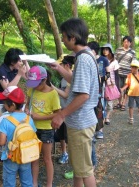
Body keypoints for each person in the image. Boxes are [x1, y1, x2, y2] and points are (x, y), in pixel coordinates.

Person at [51, 18, 98, 187]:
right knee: (79, 169)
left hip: (81, 123)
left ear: (73, 37)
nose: (63, 40)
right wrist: (59, 69)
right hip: (81, 122)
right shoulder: (86, 56)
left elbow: (83, 95)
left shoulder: (83, 60)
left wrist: (61, 115)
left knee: (85, 171)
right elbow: (76, 80)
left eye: (64, 36)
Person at [25, 65, 61, 187]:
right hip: (32, 128)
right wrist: (26, 109)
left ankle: (49, 184)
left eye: (37, 84)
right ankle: (34, 183)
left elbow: (57, 114)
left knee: (47, 159)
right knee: (34, 158)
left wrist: (40, 117)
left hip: (46, 129)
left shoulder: (53, 94)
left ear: (44, 80)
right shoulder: (32, 89)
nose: (34, 86)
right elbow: (27, 103)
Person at [0, 86, 36, 187]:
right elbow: (33, 134)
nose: (4, 105)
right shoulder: (28, 119)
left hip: (11, 157)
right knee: (27, 181)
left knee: (9, 182)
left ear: (12, 105)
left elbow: (1, 142)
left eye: (5, 103)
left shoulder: (6, 121)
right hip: (26, 155)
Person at [51, 54, 74, 164]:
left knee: (67, 135)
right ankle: (64, 153)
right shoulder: (64, 78)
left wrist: (53, 88)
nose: (59, 67)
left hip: (67, 111)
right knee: (61, 134)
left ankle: (71, 156)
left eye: (61, 65)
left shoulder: (71, 79)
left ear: (67, 66)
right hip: (62, 109)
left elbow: (65, 95)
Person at [88, 41, 109, 139]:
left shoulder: (103, 59)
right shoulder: (88, 59)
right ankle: (91, 130)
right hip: (89, 87)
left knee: (100, 106)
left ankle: (100, 130)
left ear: (93, 50)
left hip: (100, 87)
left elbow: (108, 74)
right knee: (90, 107)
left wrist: (101, 78)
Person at [120, 60, 139, 125]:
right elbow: (127, 84)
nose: (134, 69)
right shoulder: (129, 75)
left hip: (138, 94)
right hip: (131, 94)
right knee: (131, 106)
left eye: (135, 67)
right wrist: (122, 89)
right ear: (131, 68)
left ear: (138, 68)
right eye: (132, 67)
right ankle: (131, 119)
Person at [115, 36, 136, 111]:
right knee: (118, 88)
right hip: (118, 72)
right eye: (125, 41)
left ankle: (124, 104)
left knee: (126, 90)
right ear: (123, 42)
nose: (126, 43)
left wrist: (133, 74)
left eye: (128, 42)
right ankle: (119, 103)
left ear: (130, 43)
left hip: (128, 74)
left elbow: (134, 63)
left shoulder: (132, 52)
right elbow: (115, 60)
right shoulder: (118, 50)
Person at [101, 43, 120, 125]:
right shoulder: (101, 60)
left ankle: (107, 117)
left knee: (109, 102)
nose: (105, 51)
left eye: (107, 49)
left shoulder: (114, 62)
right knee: (102, 101)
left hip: (110, 84)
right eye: (104, 49)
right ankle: (102, 117)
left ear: (110, 51)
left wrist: (116, 85)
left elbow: (116, 74)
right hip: (102, 83)